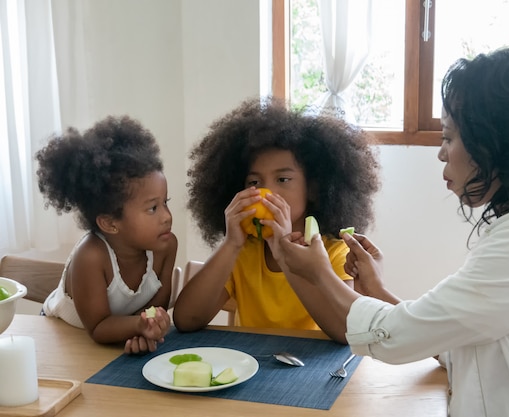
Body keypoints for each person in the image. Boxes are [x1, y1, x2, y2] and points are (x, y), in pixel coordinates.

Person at [278, 46, 509, 416]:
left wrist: (318, 274)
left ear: (501, 143)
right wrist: (376, 291)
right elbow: (449, 337)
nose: (442, 153)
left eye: (448, 137)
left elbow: (397, 339)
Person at [173, 97, 380, 336]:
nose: (266, 192)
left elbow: (346, 333)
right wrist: (231, 244)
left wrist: (284, 255)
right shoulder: (242, 252)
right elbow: (186, 319)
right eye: (254, 182)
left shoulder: (333, 253)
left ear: (313, 188)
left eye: (282, 179)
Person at [36, 115, 177, 354]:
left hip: (112, 342)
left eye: (166, 202)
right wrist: (137, 325)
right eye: (153, 208)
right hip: (62, 339)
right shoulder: (90, 257)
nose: (166, 216)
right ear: (110, 223)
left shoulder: (166, 246)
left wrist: (147, 329)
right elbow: (99, 327)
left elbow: (155, 309)